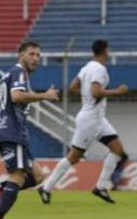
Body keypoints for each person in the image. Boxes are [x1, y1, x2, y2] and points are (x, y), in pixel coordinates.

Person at [37, 39, 128, 204]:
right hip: (90, 121)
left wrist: (86, 93)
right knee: (74, 157)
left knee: (118, 150)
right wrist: (117, 91)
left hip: (98, 119)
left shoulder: (87, 67)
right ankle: (46, 187)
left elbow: (73, 86)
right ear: (105, 51)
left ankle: (100, 187)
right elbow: (96, 92)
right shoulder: (99, 69)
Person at [0, 41, 59, 219]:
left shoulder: (7, 75)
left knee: (38, 176)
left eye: (38, 56)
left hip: (12, 131)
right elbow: (17, 96)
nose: (35, 59)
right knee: (18, 175)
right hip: (13, 132)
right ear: (21, 55)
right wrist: (44, 96)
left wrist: (3, 119)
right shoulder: (19, 73)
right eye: (31, 54)